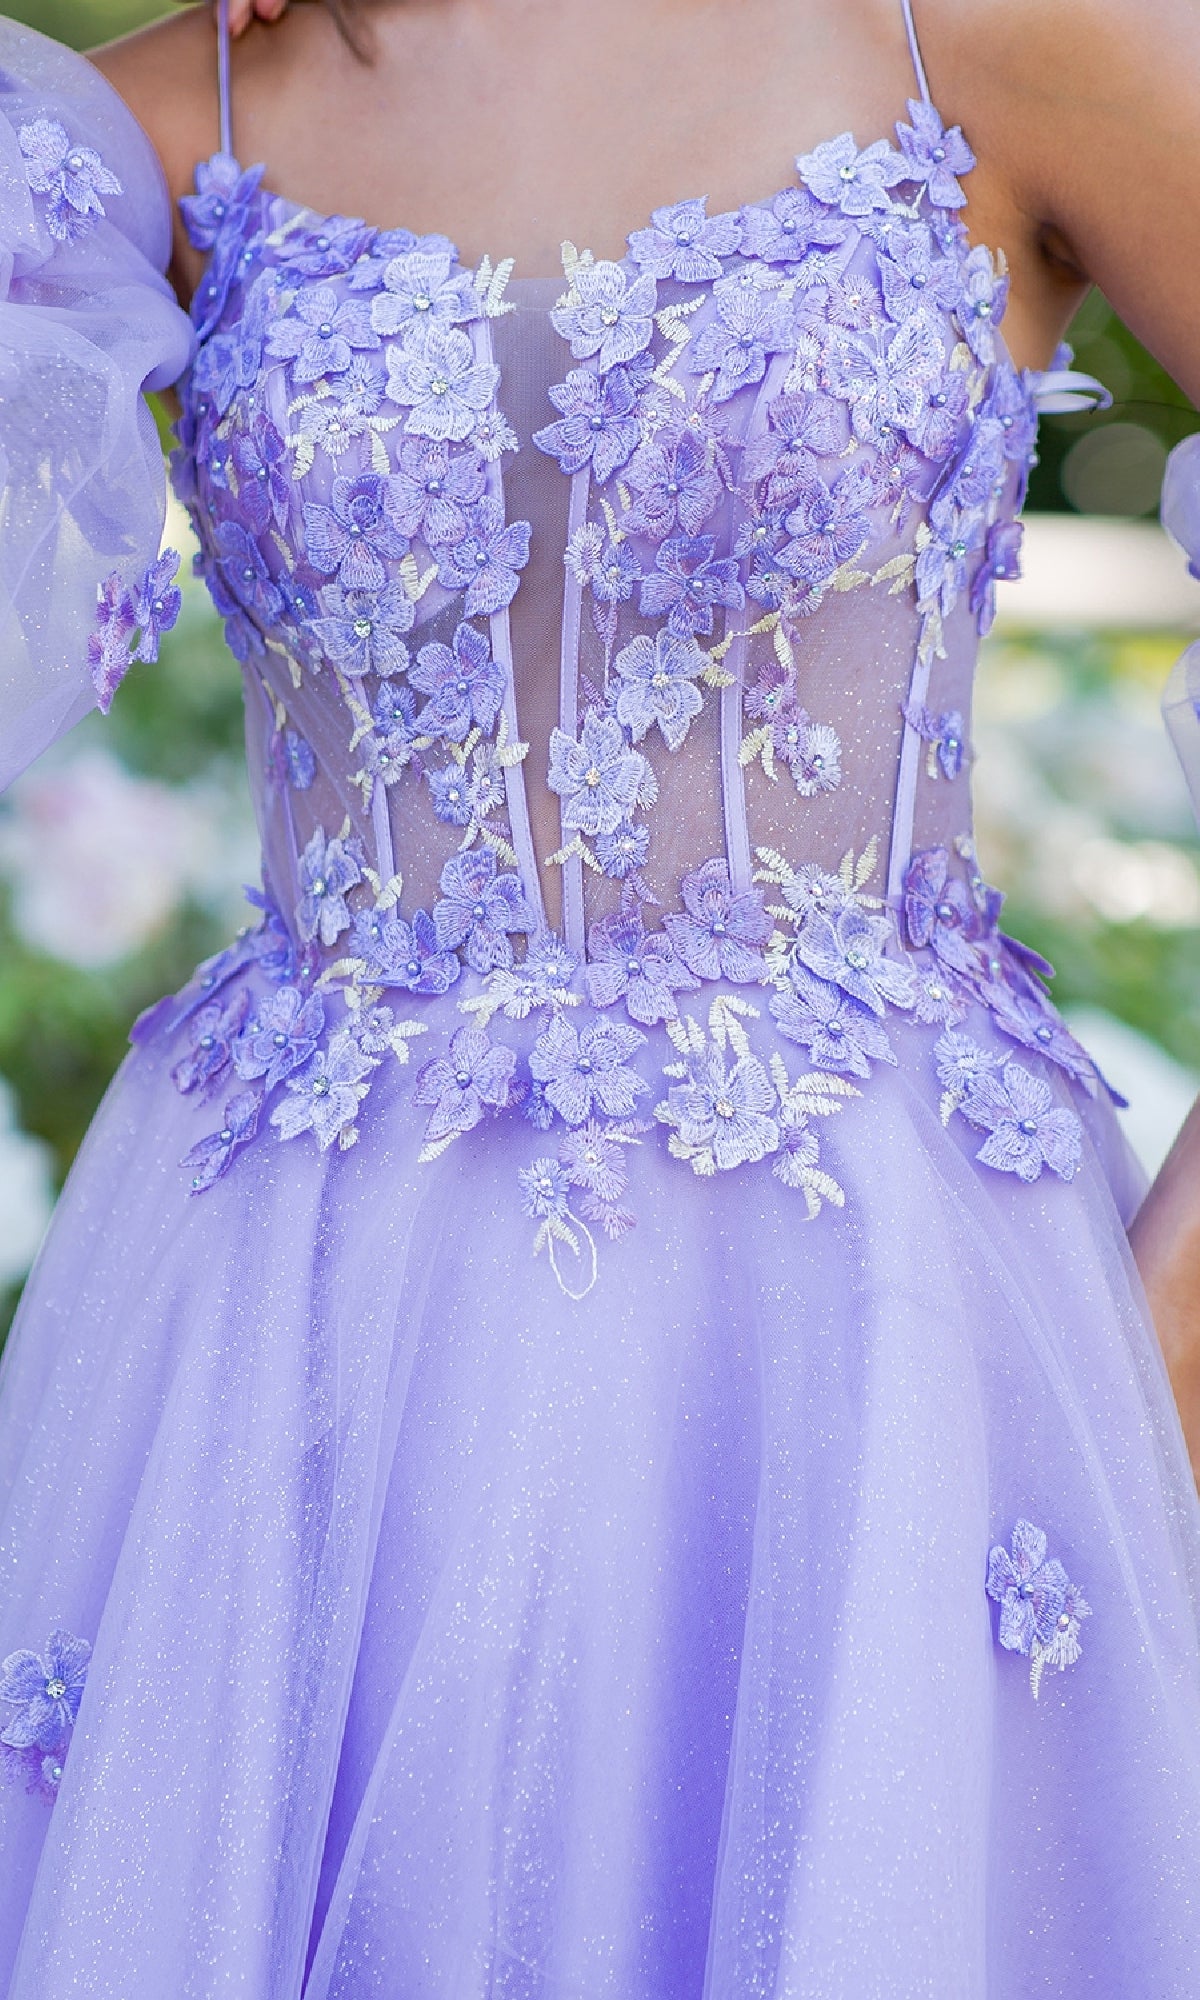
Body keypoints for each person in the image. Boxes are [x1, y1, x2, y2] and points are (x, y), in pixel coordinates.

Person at [1, 0, 1200, 1990]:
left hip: (892, 1354)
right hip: (291, 1373)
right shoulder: (181, 106)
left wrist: (1166, 1341)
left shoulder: (996, 32)